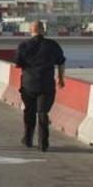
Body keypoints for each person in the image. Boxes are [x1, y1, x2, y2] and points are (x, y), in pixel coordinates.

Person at [15, 21, 66, 151]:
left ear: (31, 30)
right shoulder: (52, 45)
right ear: (43, 30)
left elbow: (18, 64)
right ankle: (43, 143)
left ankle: (27, 139)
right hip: (46, 84)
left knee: (29, 111)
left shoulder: (24, 45)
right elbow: (61, 62)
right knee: (43, 113)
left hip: (28, 85)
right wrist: (60, 79)